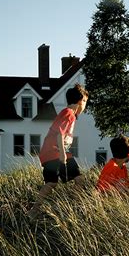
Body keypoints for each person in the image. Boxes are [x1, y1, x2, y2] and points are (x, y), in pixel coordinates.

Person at [28, 83, 88, 217]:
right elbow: (59, 133)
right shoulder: (69, 113)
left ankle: (34, 210)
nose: (85, 106)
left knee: (51, 183)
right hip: (55, 153)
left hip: (49, 154)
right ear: (80, 101)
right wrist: (62, 153)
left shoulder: (68, 114)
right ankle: (72, 208)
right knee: (79, 179)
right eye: (85, 102)